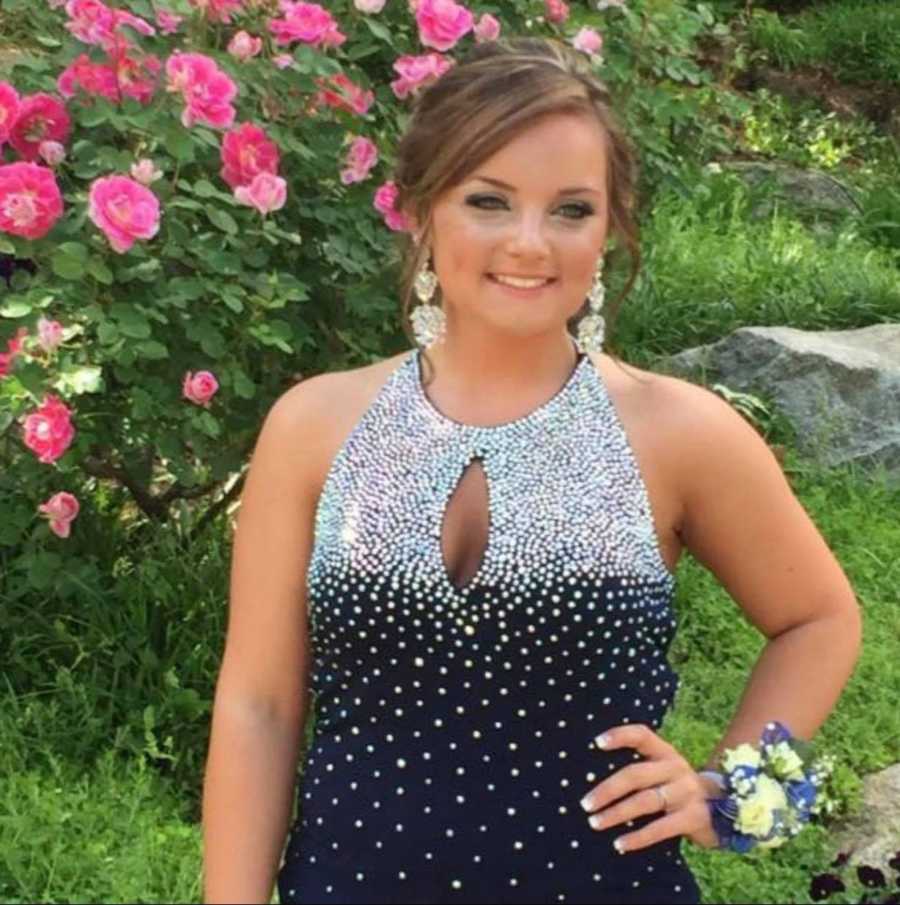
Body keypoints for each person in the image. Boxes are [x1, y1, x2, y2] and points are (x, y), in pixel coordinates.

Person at [201, 36, 862, 905]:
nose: (529, 243)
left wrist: (729, 789)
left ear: (611, 228)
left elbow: (818, 617)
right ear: (420, 207)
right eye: (489, 200)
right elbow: (260, 705)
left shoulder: (679, 432)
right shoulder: (314, 425)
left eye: (570, 209)